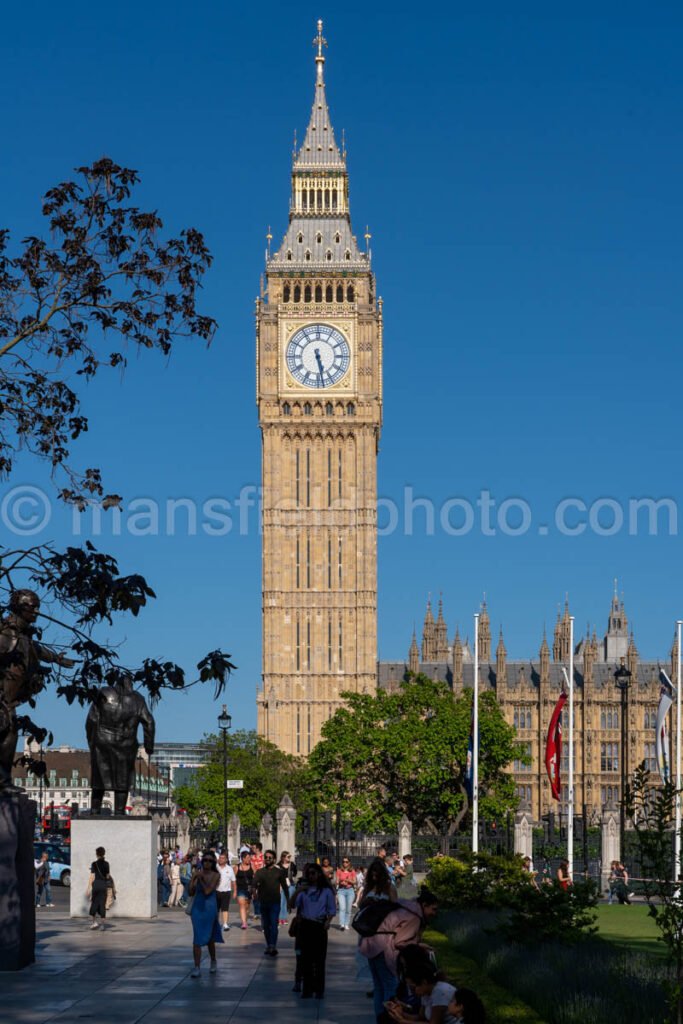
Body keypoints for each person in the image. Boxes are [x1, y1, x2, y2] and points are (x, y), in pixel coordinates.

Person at [360, 887, 439, 1023]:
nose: (435, 913)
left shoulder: (406, 906)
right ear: (424, 905)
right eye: (433, 909)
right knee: (390, 987)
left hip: (372, 945)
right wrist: (420, 946)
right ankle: (390, 1020)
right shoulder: (414, 916)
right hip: (384, 951)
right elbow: (400, 942)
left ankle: (381, 1019)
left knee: (379, 987)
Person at [295, 863, 337, 999]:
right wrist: (299, 890)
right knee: (306, 959)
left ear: (319, 874)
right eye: (309, 874)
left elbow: (331, 909)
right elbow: (292, 905)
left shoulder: (326, 891)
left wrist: (328, 922)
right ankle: (307, 989)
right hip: (306, 925)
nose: (311, 876)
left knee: (319, 960)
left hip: (319, 925)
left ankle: (319, 989)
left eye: (314, 873)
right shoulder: (304, 890)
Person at [189, 851, 223, 977]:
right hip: (197, 908)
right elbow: (191, 892)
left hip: (210, 908)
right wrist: (193, 879)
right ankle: (197, 966)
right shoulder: (197, 874)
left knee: (210, 938)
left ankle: (213, 960)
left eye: (210, 861)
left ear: (213, 863)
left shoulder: (216, 875)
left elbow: (208, 891)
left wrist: (200, 879)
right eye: (205, 860)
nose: (207, 863)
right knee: (197, 937)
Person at [253, 849, 289, 956]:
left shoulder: (279, 872)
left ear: (274, 859)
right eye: (266, 857)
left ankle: (273, 945)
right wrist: (253, 892)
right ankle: (269, 945)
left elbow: (285, 887)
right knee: (266, 926)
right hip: (263, 902)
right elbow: (254, 883)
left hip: (275, 902)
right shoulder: (260, 872)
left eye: (270, 858)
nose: (267, 859)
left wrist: (289, 901)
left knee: (274, 924)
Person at [86, 846, 113, 931]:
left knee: (94, 903)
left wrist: (88, 888)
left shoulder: (94, 864)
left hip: (96, 885)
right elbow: (108, 876)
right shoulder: (107, 864)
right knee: (102, 904)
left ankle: (94, 923)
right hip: (103, 885)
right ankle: (102, 925)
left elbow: (92, 877)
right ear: (104, 853)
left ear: (97, 854)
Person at [335, 856, 357, 930]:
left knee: (348, 909)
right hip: (341, 890)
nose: (345, 863)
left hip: (350, 891)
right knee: (342, 908)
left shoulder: (352, 871)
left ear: (349, 863)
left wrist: (348, 881)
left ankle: (346, 923)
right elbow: (337, 881)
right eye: (343, 862)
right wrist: (340, 882)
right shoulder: (339, 871)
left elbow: (354, 881)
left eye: (346, 862)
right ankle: (342, 924)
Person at [216, 852, 237, 930]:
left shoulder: (229, 869)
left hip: (226, 891)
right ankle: (216, 923)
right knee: (216, 909)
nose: (220, 859)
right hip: (216, 891)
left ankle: (225, 924)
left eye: (222, 858)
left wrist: (235, 891)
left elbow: (233, 881)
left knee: (225, 908)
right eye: (220, 858)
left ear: (226, 860)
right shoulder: (215, 867)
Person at [235, 849, 254, 929]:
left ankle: (245, 920)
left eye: (250, 858)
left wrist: (255, 889)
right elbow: (233, 879)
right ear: (243, 858)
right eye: (248, 858)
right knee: (242, 905)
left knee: (247, 906)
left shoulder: (252, 866)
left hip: (249, 889)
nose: (249, 859)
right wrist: (235, 890)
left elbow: (256, 877)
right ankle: (244, 923)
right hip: (240, 889)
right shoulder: (237, 867)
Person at [278, 850, 297, 925]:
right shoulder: (278, 865)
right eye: (288, 857)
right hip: (282, 885)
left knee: (287, 901)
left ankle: (284, 918)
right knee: (282, 901)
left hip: (291, 885)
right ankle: (281, 918)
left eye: (290, 856)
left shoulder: (292, 864)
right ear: (283, 857)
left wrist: (292, 876)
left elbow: (295, 872)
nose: (289, 858)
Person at [250, 842, 264, 919]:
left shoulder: (264, 857)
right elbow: (251, 867)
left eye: (254, 848)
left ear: (258, 848)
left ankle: (262, 912)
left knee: (262, 896)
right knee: (254, 895)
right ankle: (256, 912)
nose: (252, 849)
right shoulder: (252, 857)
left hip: (262, 879)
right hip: (254, 878)